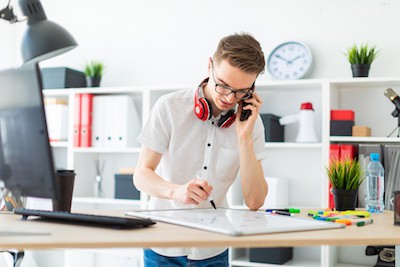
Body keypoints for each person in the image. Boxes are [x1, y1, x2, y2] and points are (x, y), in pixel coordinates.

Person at [134, 32, 268, 267]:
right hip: (163, 243)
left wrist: (244, 138)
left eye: (241, 92)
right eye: (223, 85)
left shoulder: (251, 123)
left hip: (213, 248)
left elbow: (255, 201)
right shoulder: (169, 107)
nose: (229, 98)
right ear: (209, 66)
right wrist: (176, 192)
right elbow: (141, 175)